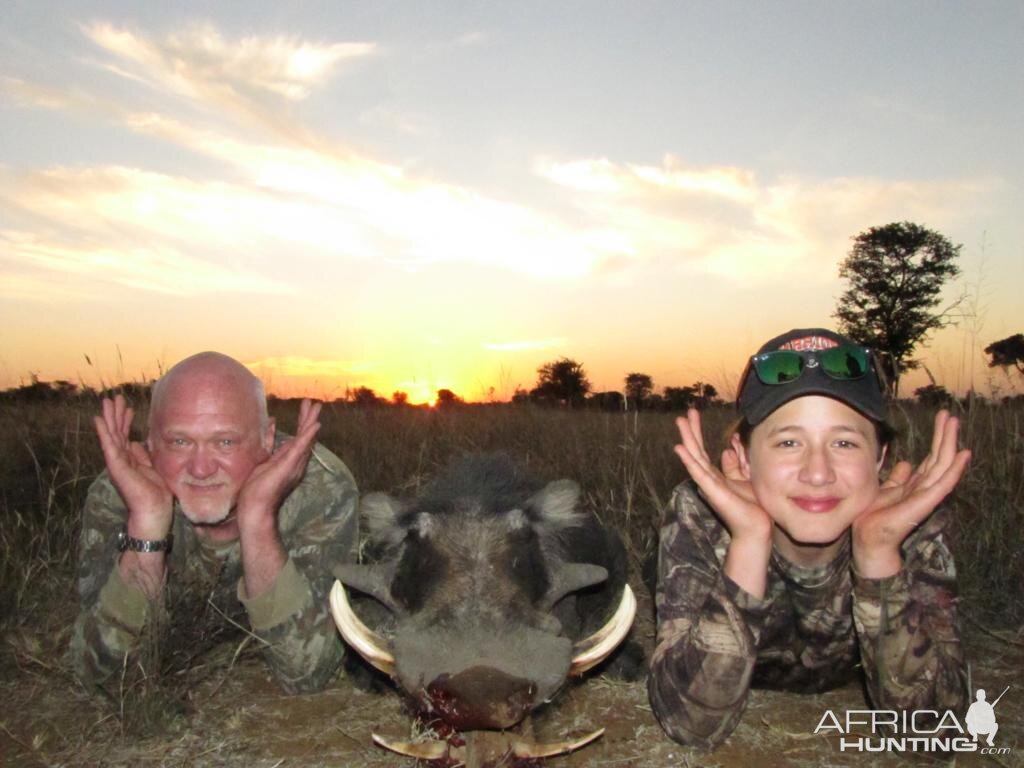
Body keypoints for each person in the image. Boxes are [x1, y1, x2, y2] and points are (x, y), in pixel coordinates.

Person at [648, 328, 971, 749]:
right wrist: (749, 541)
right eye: (787, 442)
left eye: (844, 442)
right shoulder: (701, 512)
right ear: (743, 457)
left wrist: (878, 553)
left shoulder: (911, 526)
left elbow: (934, 735)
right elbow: (690, 726)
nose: (817, 473)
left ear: (880, 459)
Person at [70, 351, 358, 694]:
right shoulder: (119, 490)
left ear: (267, 439)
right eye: (179, 441)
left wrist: (257, 519)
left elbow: (306, 672)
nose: (201, 468)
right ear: (150, 442)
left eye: (225, 442)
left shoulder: (320, 485)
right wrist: (146, 525)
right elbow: (97, 674)